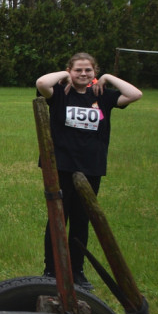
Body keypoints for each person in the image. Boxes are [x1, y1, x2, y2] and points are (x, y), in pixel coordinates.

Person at [36, 53, 142, 289]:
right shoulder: (60, 95)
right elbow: (42, 83)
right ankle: (51, 270)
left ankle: (77, 272)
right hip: (61, 166)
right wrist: (65, 76)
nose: (83, 74)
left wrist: (108, 78)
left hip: (90, 167)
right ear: (70, 71)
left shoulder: (102, 96)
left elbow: (135, 94)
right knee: (58, 219)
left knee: (82, 221)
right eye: (78, 70)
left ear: (94, 73)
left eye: (88, 71)